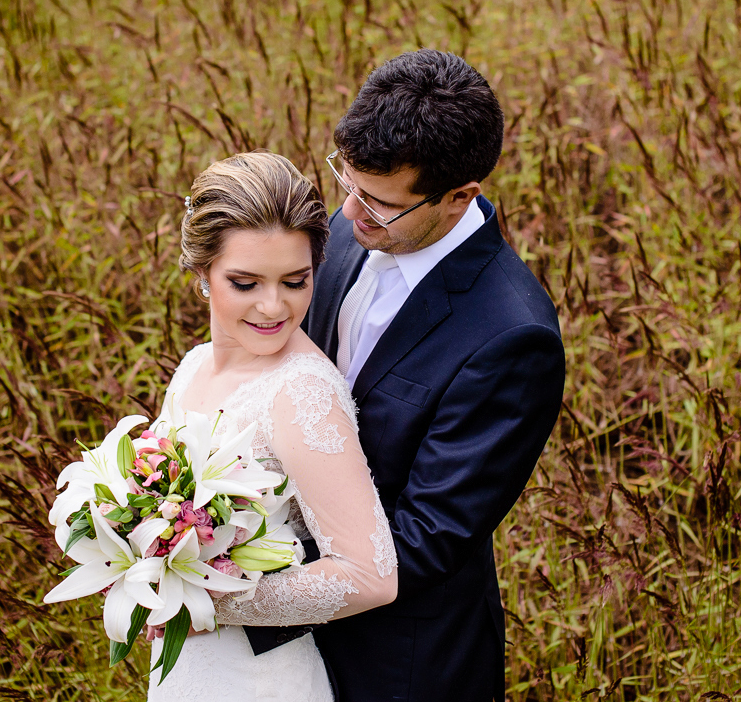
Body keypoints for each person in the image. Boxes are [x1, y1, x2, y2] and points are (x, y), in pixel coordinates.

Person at [244, 50, 566, 702]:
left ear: (459, 196)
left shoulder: (512, 337)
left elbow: (424, 537)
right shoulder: (356, 224)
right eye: (349, 182)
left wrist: (240, 591)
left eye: (381, 203)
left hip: (400, 658)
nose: (352, 213)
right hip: (288, 625)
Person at [146, 152, 398, 702]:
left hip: (260, 679)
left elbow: (369, 575)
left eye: (295, 280)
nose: (272, 306)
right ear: (201, 272)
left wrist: (202, 598)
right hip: (191, 669)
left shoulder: (301, 390)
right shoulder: (192, 366)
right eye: (245, 282)